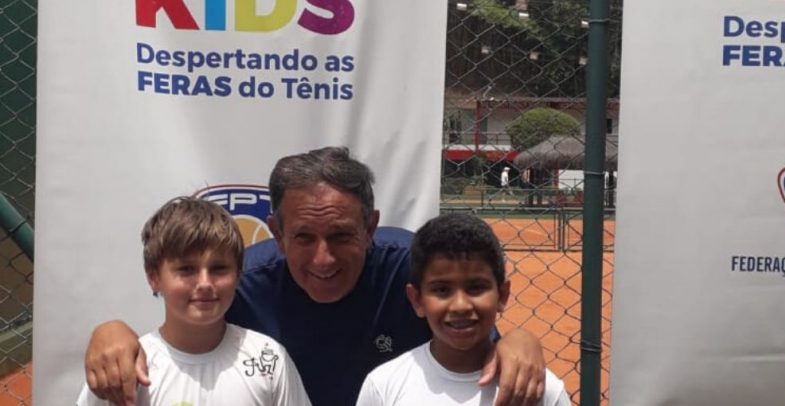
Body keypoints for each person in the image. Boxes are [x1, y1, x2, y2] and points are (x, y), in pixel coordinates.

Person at [85, 147, 546, 406]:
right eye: (303, 237)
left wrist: (517, 339)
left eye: (342, 236)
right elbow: (179, 335)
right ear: (277, 233)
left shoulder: (412, 267)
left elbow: (475, 335)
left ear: (371, 227)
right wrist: (113, 330)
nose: (323, 259)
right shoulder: (242, 282)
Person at [77, 197, 311, 405]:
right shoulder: (126, 367)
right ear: (154, 277)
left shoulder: (269, 359)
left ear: (238, 273)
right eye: (186, 269)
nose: (205, 283)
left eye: (218, 268)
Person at [355, 213, 570, 406]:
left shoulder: (539, 390)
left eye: (476, 288)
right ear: (417, 300)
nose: (460, 306)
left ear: (502, 295)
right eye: (441, 290)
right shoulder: (383, 385)